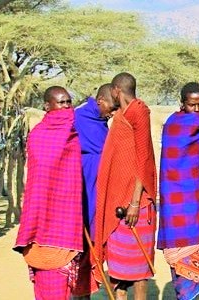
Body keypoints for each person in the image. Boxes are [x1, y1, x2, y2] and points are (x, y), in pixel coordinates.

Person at [14, 86, 83, 299]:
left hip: (66, 220)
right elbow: (38, 177)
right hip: (40, 222)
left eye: (68, 102)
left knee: (60, 287)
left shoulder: (76, 130)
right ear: (47, 106)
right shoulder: (37, 135)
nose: (66, 107)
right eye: (60, 103)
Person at [94, 73, 157, 300]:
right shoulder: (120, 115)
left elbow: (143, 160)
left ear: (116, 90)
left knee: (140, 270)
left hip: (136, 204)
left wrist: (134, 202)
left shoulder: (138, 112)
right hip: (117, 202)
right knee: (118, 269)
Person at [157, 82, 199, 299]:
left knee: (195, 256)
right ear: (182, 104)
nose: (197, 110)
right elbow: (169, 166)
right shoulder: (173, 125)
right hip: (175, 200)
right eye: (192, 105)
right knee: (179, 263)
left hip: (197, 201)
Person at [73, 83, 118, 299]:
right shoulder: (78, 118)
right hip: (81, 190)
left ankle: (86, 293)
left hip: (99, 193)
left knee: (94, 244)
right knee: (79, 245)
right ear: (100, 100)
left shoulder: (103, 123)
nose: (113, 111)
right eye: (112, 106)